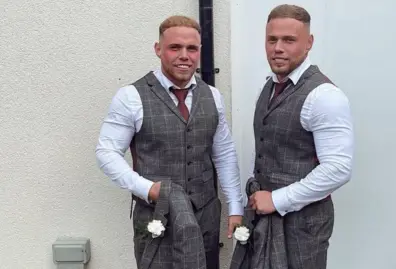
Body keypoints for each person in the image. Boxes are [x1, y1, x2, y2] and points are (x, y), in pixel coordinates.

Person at [95, 15, 243, 269]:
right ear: (158, 49)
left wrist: (235, 206)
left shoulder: (213, 96)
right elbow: (106, 153)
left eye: (192, 48)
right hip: (156, 217)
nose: (184, 55)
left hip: (204, 216)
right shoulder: (131, 97)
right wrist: (147, 189)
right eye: (175, 47)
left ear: (199, 52)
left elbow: (224, 154)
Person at [230, 4, 354, 269]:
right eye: (272, 39)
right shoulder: (269, 86)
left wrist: (276, 199)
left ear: (309, 43)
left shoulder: (325, 96)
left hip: (303, 228)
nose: (278, 48)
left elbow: (338, 169)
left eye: (289, 40)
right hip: (263, 218)